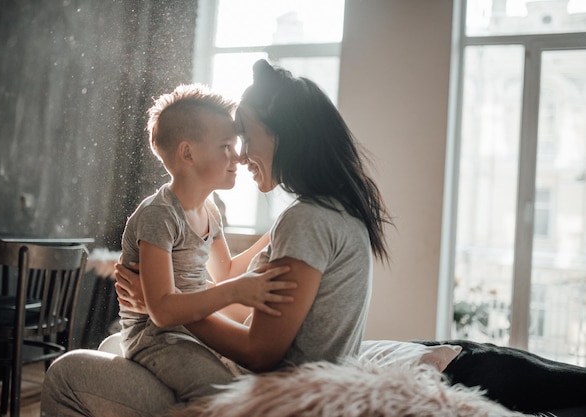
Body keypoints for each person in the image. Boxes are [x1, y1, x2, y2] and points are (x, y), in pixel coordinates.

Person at [41, 60, 586, 417]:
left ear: (283, 137)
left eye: (246, 138)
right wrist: (171, 308)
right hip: (231, 348)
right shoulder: (321, 210)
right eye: (230, 143)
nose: (240, 154)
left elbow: (260, 346)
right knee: (118, 345)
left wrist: (168, 311)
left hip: (277, 385)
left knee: (66, 373)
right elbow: (232, 282)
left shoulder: (304, 219)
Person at [117, 83, 297, 393]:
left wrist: (278, 231)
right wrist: (235, 293)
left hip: (188, 328)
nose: (238, 157)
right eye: (226, 146)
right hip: (154, 337)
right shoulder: (159, 215)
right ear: (188, 153)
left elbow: (225, 271)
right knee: (223, 393)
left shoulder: (209, 210)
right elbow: (162, 309)